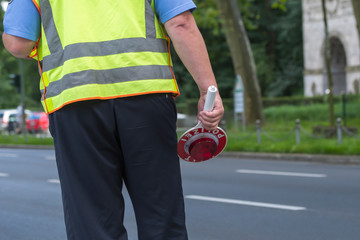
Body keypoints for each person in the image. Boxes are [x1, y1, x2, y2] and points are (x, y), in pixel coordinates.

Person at [3, 0, 224, 239]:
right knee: (161, 214)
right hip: (146, 95)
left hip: (76, 101)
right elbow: (180, 23)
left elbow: (18, 44)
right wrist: (207, 89)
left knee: (93, 220)